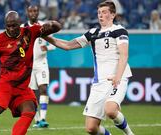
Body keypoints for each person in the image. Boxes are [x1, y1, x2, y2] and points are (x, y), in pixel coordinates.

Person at [44, 1, 134, 135]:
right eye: (99, 13)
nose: (100, 15)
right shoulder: (92, 33)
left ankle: (129, 133)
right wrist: (46, 37)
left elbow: (124, 55)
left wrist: (118, 77)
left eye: (104, 12)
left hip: (117, 78)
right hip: (99, 83)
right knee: (91, 128)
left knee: (110, 110)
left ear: (113, 14)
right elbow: (68, 45)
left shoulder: (119, 31)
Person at [21, 5, 56, 128]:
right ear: (27, 12)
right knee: (30, 93)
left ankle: (43, 119)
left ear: (38, 12)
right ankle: (36, 120)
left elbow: (54, 44)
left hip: (42, 64)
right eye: (30, 11)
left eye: (35, 11)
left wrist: (47, 47)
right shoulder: (22, 28)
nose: (33, 13)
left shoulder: (44, 26)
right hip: (28, 66)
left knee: (43, 89)